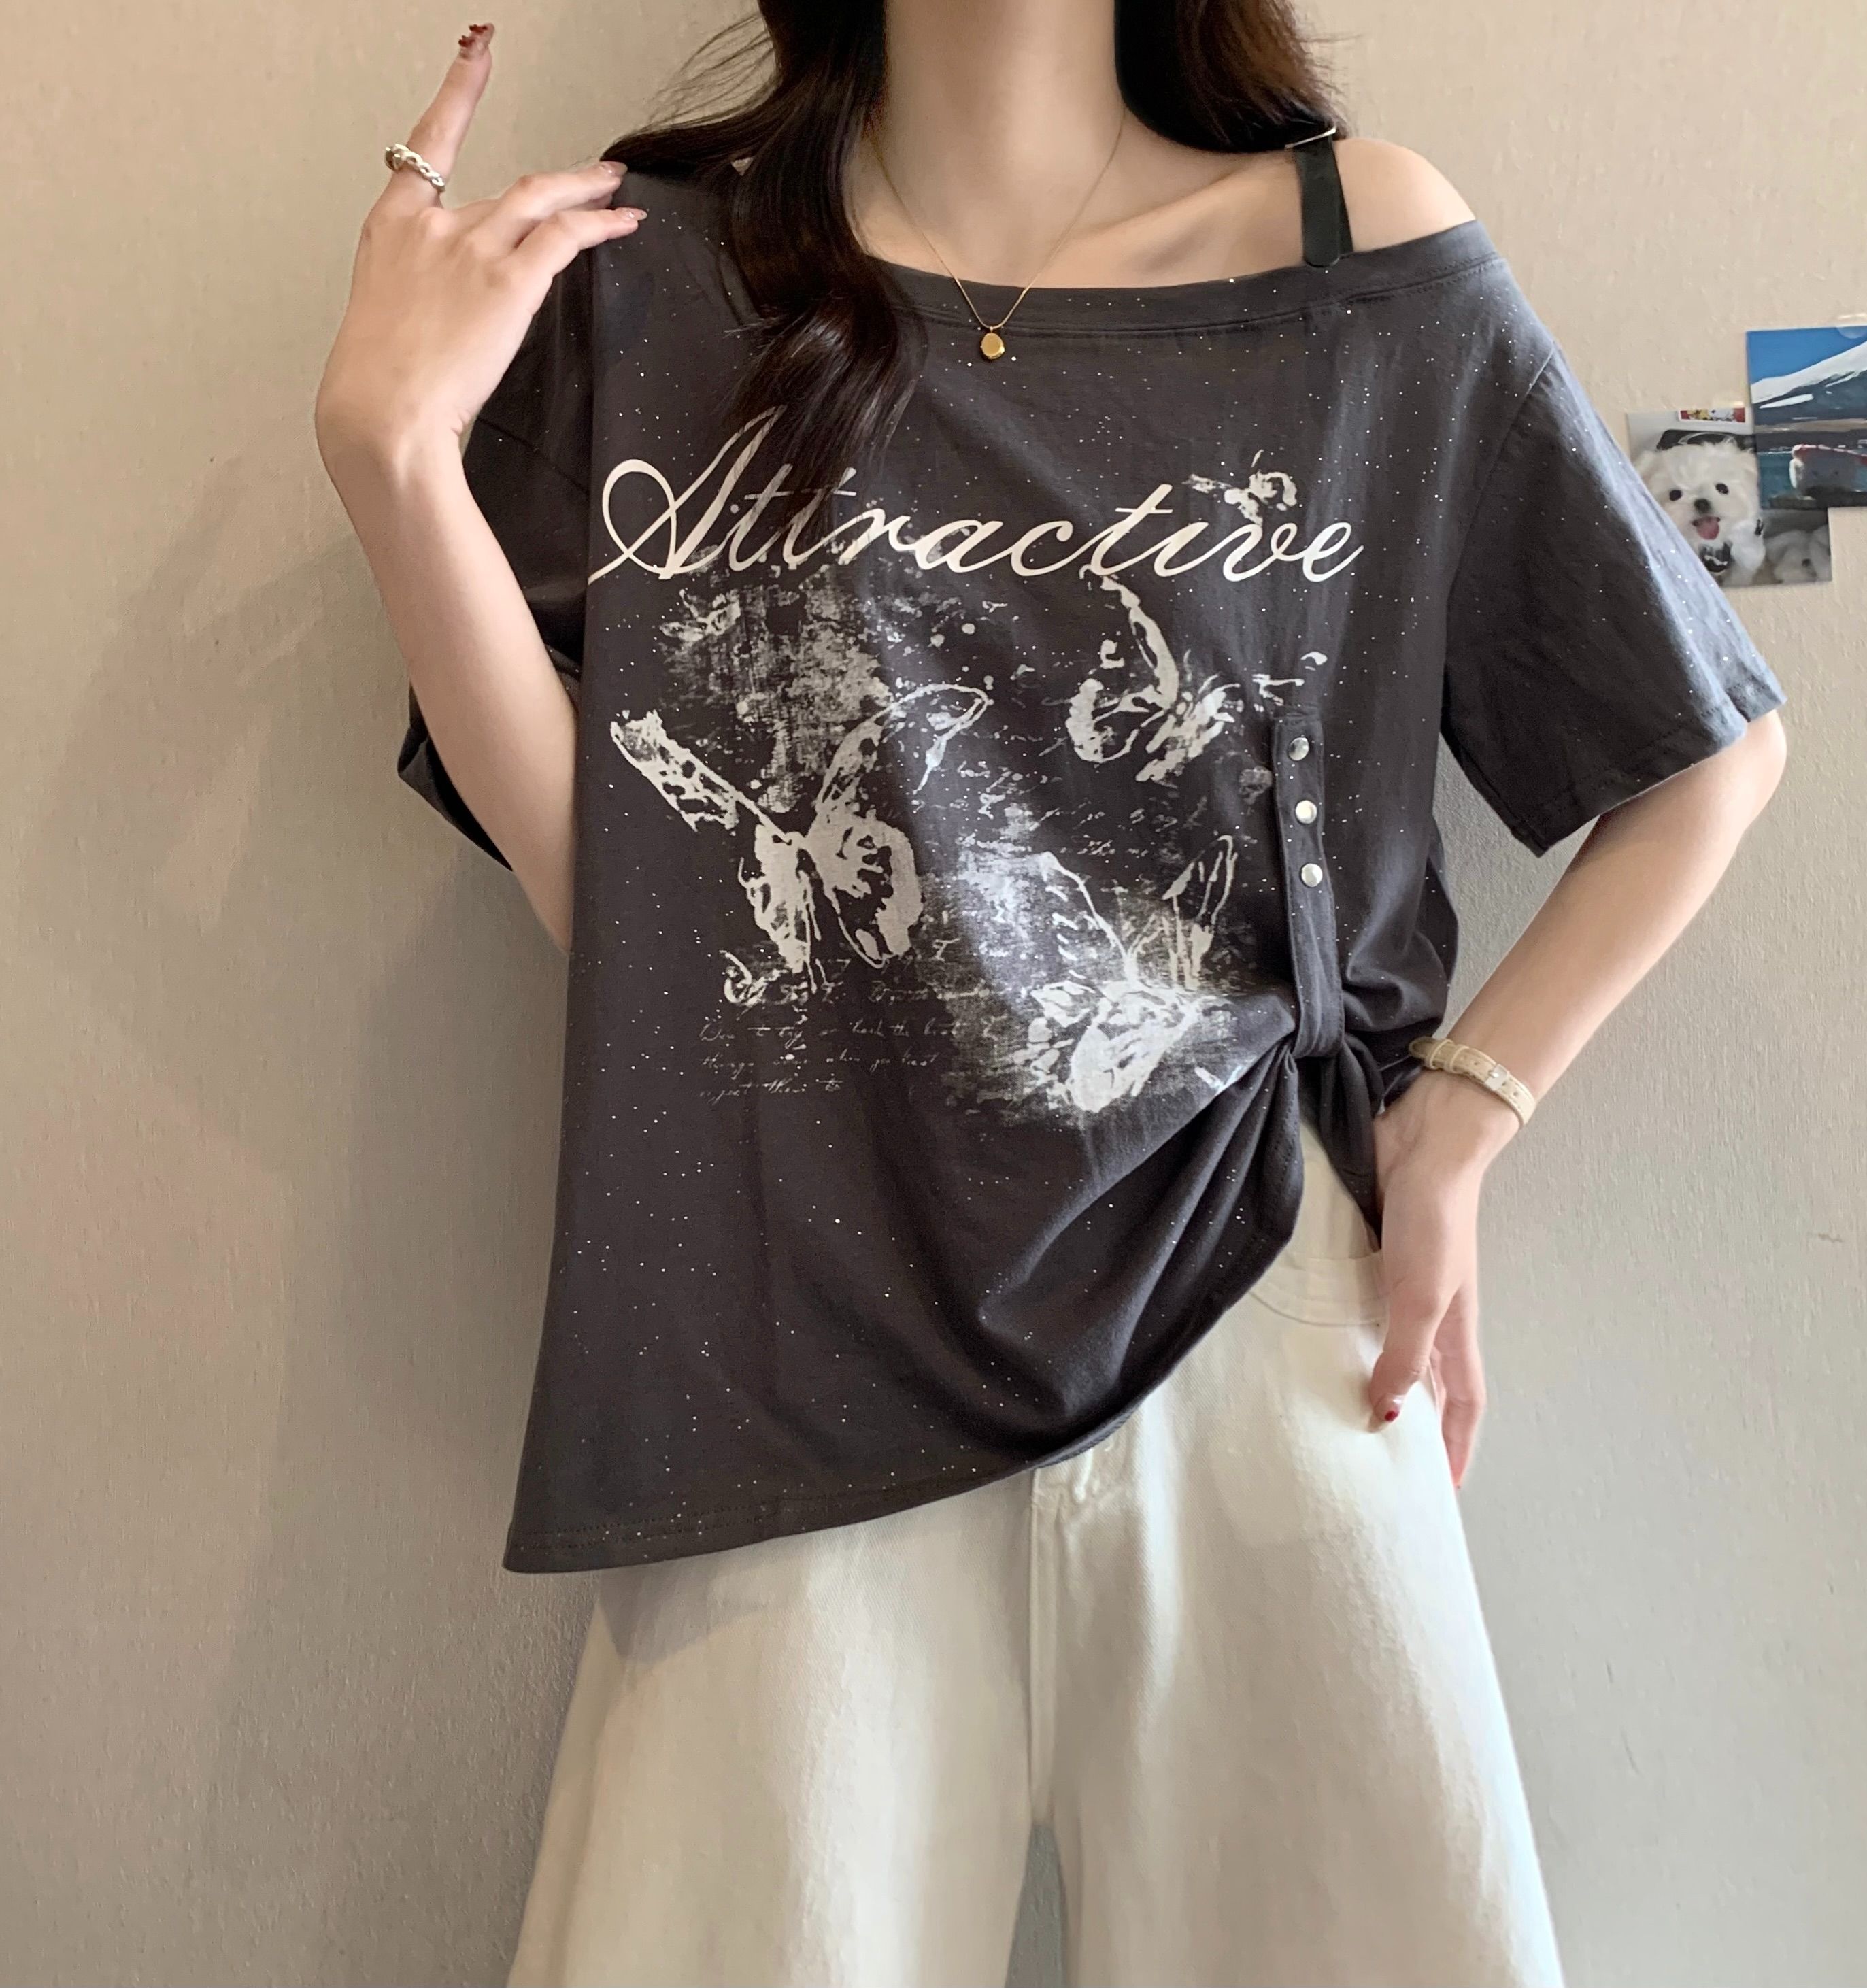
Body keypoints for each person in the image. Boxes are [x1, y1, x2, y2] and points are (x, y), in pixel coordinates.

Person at [315, 6, 1789, 1983]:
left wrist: (1464, 1119)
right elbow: (644, 923)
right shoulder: (653, 279)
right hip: (792, 1336)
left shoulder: (1351, 259)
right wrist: (396, 463)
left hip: (1256, 1302)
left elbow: (1703, 753)